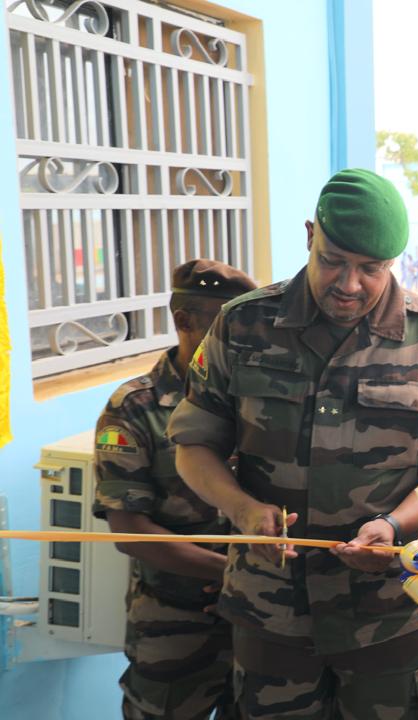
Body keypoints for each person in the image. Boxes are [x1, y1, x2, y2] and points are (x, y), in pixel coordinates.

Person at [166, 169, 418, 718]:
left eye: (371, 269)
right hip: (271, 611)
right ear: (309, 234)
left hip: (386, 613)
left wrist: (394, 526)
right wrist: (243, 510)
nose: (349, 284)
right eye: (334, 260)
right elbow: (192, 446)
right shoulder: (244, 325)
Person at [93, 259, 257, 720]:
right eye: (223, 327)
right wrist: (232, 571)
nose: (236, 341)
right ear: (184, 321)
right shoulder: (135, 408)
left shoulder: (256, 401)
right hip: (175, 626)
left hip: (257, 619)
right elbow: (129, 529)